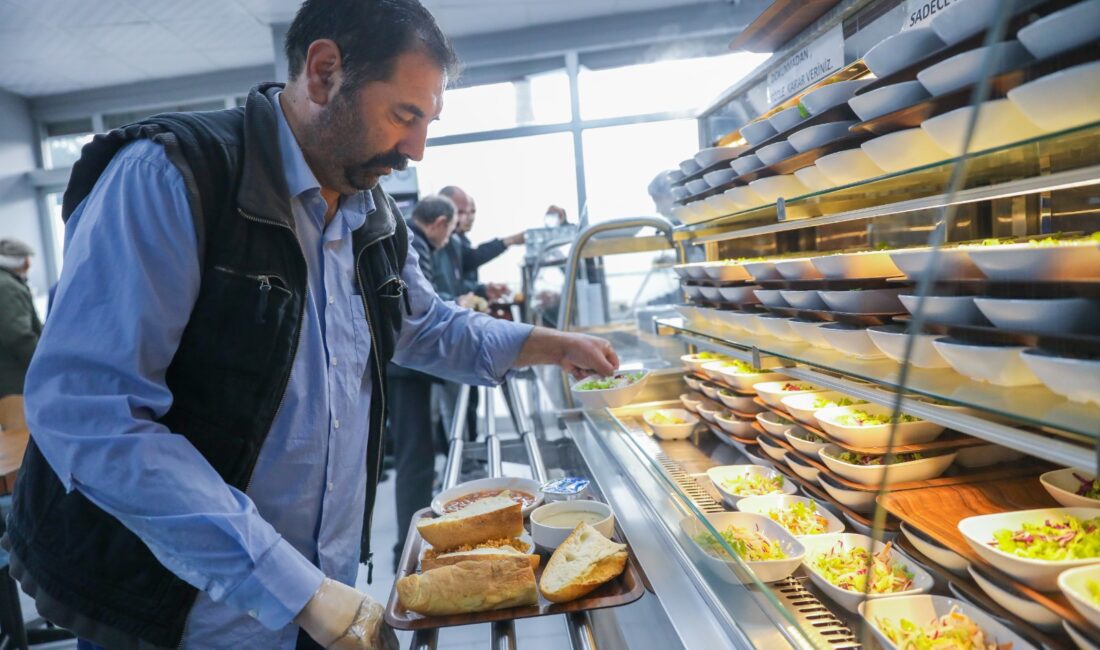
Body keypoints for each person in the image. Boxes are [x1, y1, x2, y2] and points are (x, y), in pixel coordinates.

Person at [2, 2, 619, 650]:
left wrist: (545, 344)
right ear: (324, 73)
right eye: (404, 116)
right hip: (177, 617)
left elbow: (422, 326)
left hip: (319, 601)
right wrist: (297, 589)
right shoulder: (175, 177)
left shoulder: (372, 213)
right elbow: (91, 414)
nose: (416, 150)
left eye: (427, 122)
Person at [387, 194, 459, 571]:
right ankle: (407, 549)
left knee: (420, 457)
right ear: (439, 222)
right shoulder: (409, 239)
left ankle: (414, 539)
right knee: (415, 460)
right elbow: (423, 311)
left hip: (410, 367)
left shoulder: (410, 237)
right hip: (403, 369)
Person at [435, 185, 523, 300]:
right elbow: (425, 296)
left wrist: (483, 290)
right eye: (460, 212)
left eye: (470, 212)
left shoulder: (455, 242)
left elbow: (456, 286)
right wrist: (510, 241)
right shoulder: (424, 241)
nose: (467, 218)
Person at [0, 238, 42, 398]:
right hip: (15, 380)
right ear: (22, 261)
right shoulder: (8, 287)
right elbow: (18, 336)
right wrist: (44, 364)